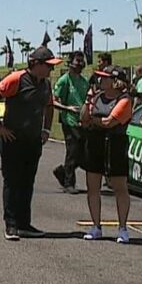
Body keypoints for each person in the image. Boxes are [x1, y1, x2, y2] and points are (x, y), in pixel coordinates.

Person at [0, 46, 60, 241]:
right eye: (48, 66)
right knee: (12, 181)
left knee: (27, 183)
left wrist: (46, 130)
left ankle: (24, 224)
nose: (50, 70)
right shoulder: (17, 78)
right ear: (36, 64)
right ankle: (11, 225)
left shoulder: (45, 84)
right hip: (13, 141)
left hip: (33, 141)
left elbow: (49, 106)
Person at [80, 66, 135, 243]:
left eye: (105, 78)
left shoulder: (124, 100)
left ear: (115, 81)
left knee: (120, 186)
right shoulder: (96, 97)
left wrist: (93, 119)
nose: (100, 81)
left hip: (115, 144)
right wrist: (88, 100)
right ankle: (96, 226)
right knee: (93, 186)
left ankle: (123, 228)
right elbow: (83, 118)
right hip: (95, 143)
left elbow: (108, 122)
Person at [52, 51, 89, 192]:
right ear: (70, 63)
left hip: (82, 121)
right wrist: (67, 108)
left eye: (81, 61)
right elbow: (54, 101)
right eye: (77, 61)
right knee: (72, 151)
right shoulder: (64, 80)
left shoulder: (84, 81)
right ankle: (69, 183)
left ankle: (62, 171)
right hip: (69, 121)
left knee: (83, 153)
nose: (80, 64)